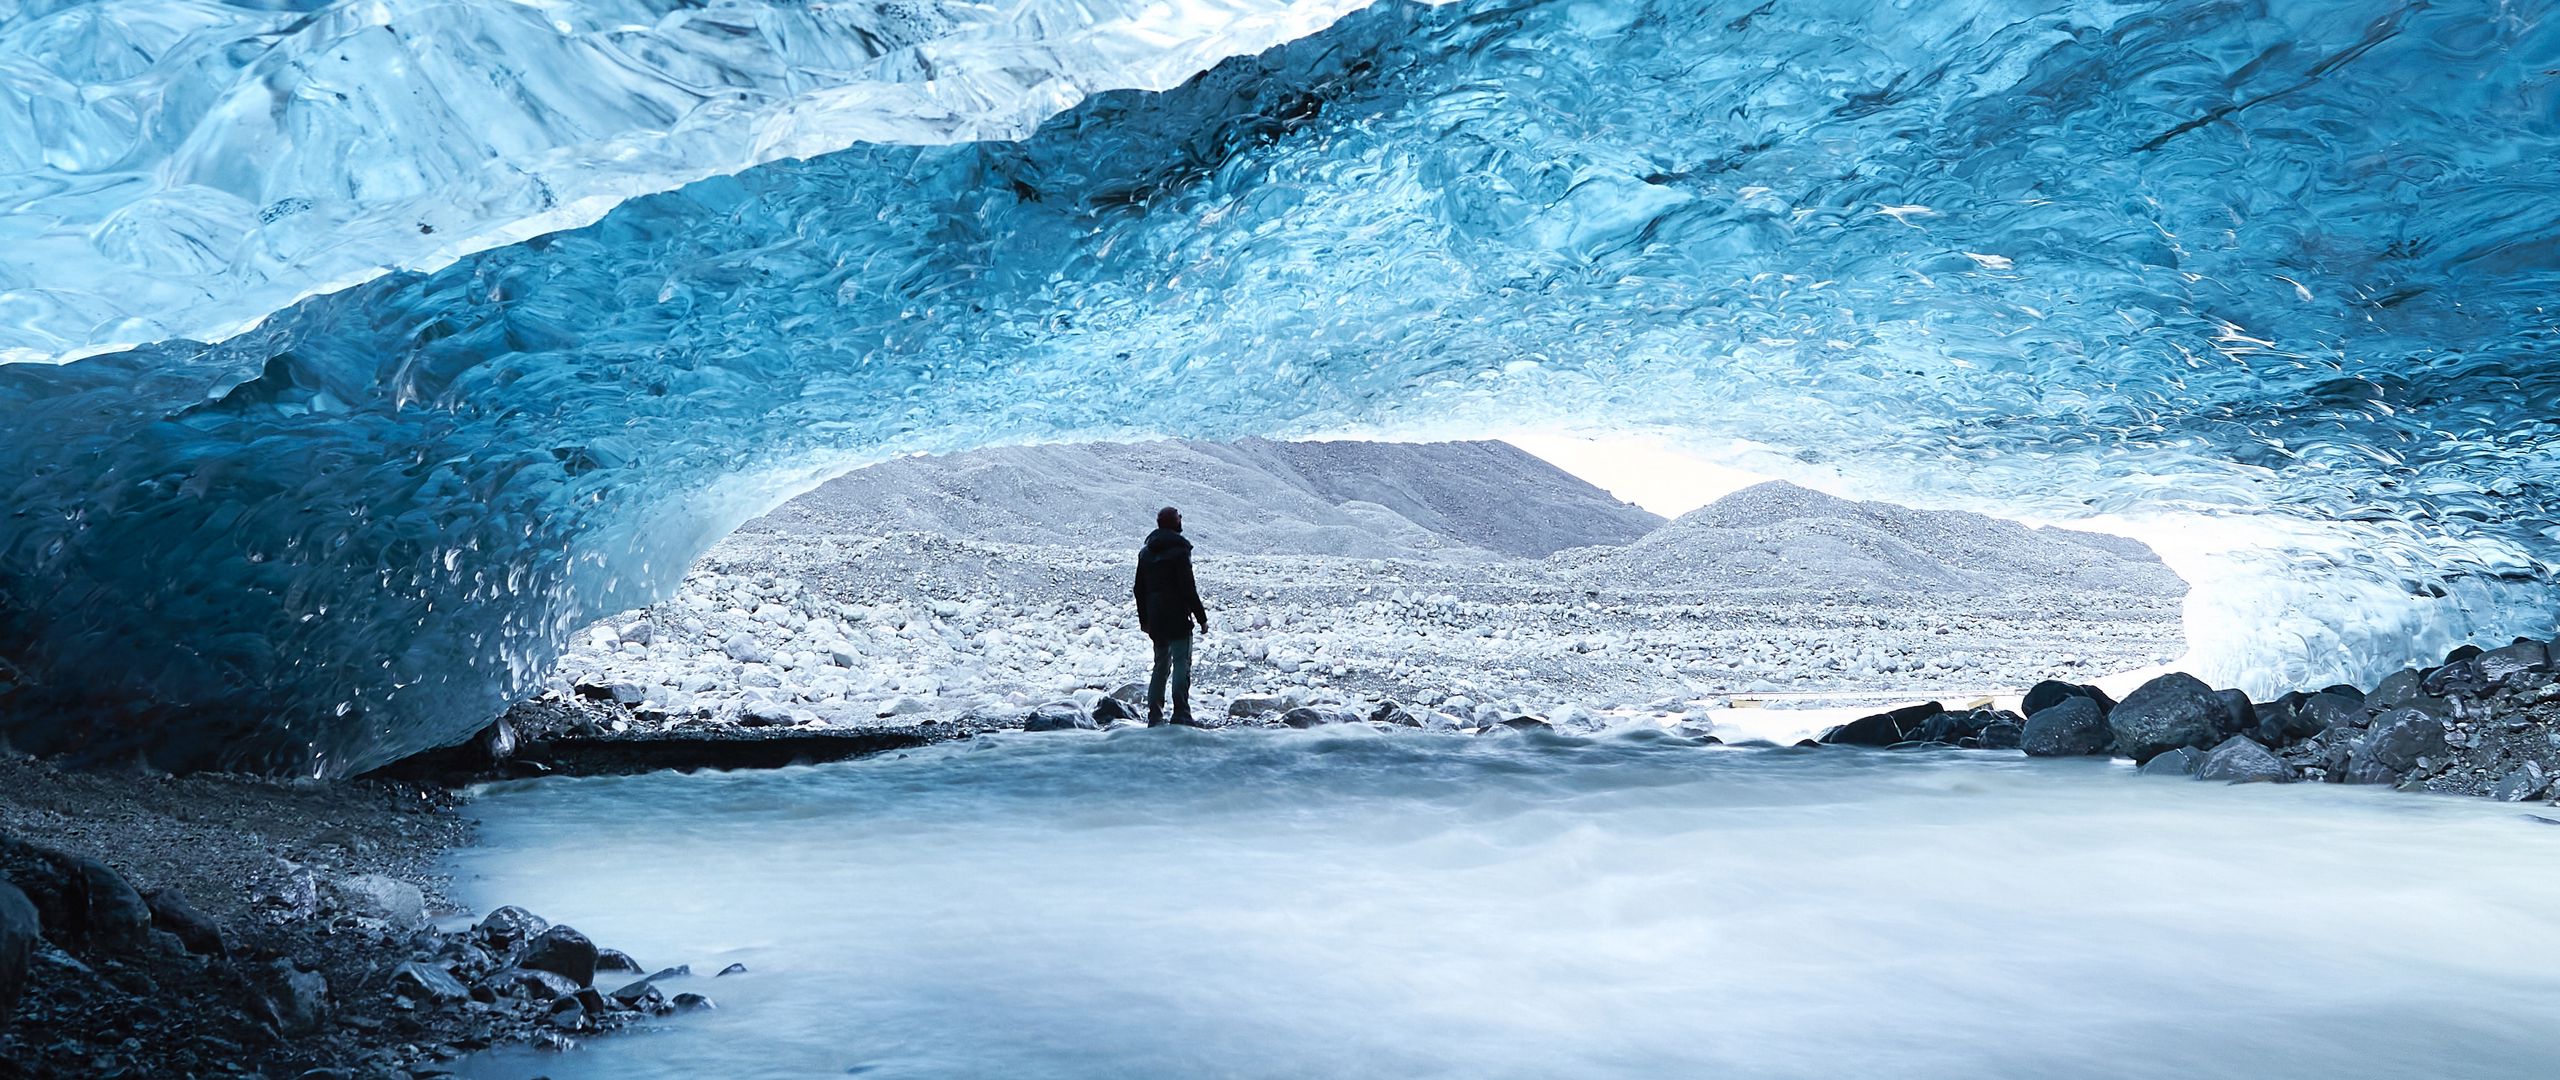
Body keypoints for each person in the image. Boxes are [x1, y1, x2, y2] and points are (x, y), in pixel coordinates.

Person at [1133, 506, 1210, 726]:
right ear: (1175, 522)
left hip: (1156, 617)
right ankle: (1181, 713)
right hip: (1177, 616)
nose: (1181, 520)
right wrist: (1201, 617)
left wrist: (1144, 620)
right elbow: (1188, 588)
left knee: (1160, 665)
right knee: (1181, 663)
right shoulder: (1180, 551)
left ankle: (1155, 715)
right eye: (1179, 518)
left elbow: (1139, 588)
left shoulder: (1146, 552)